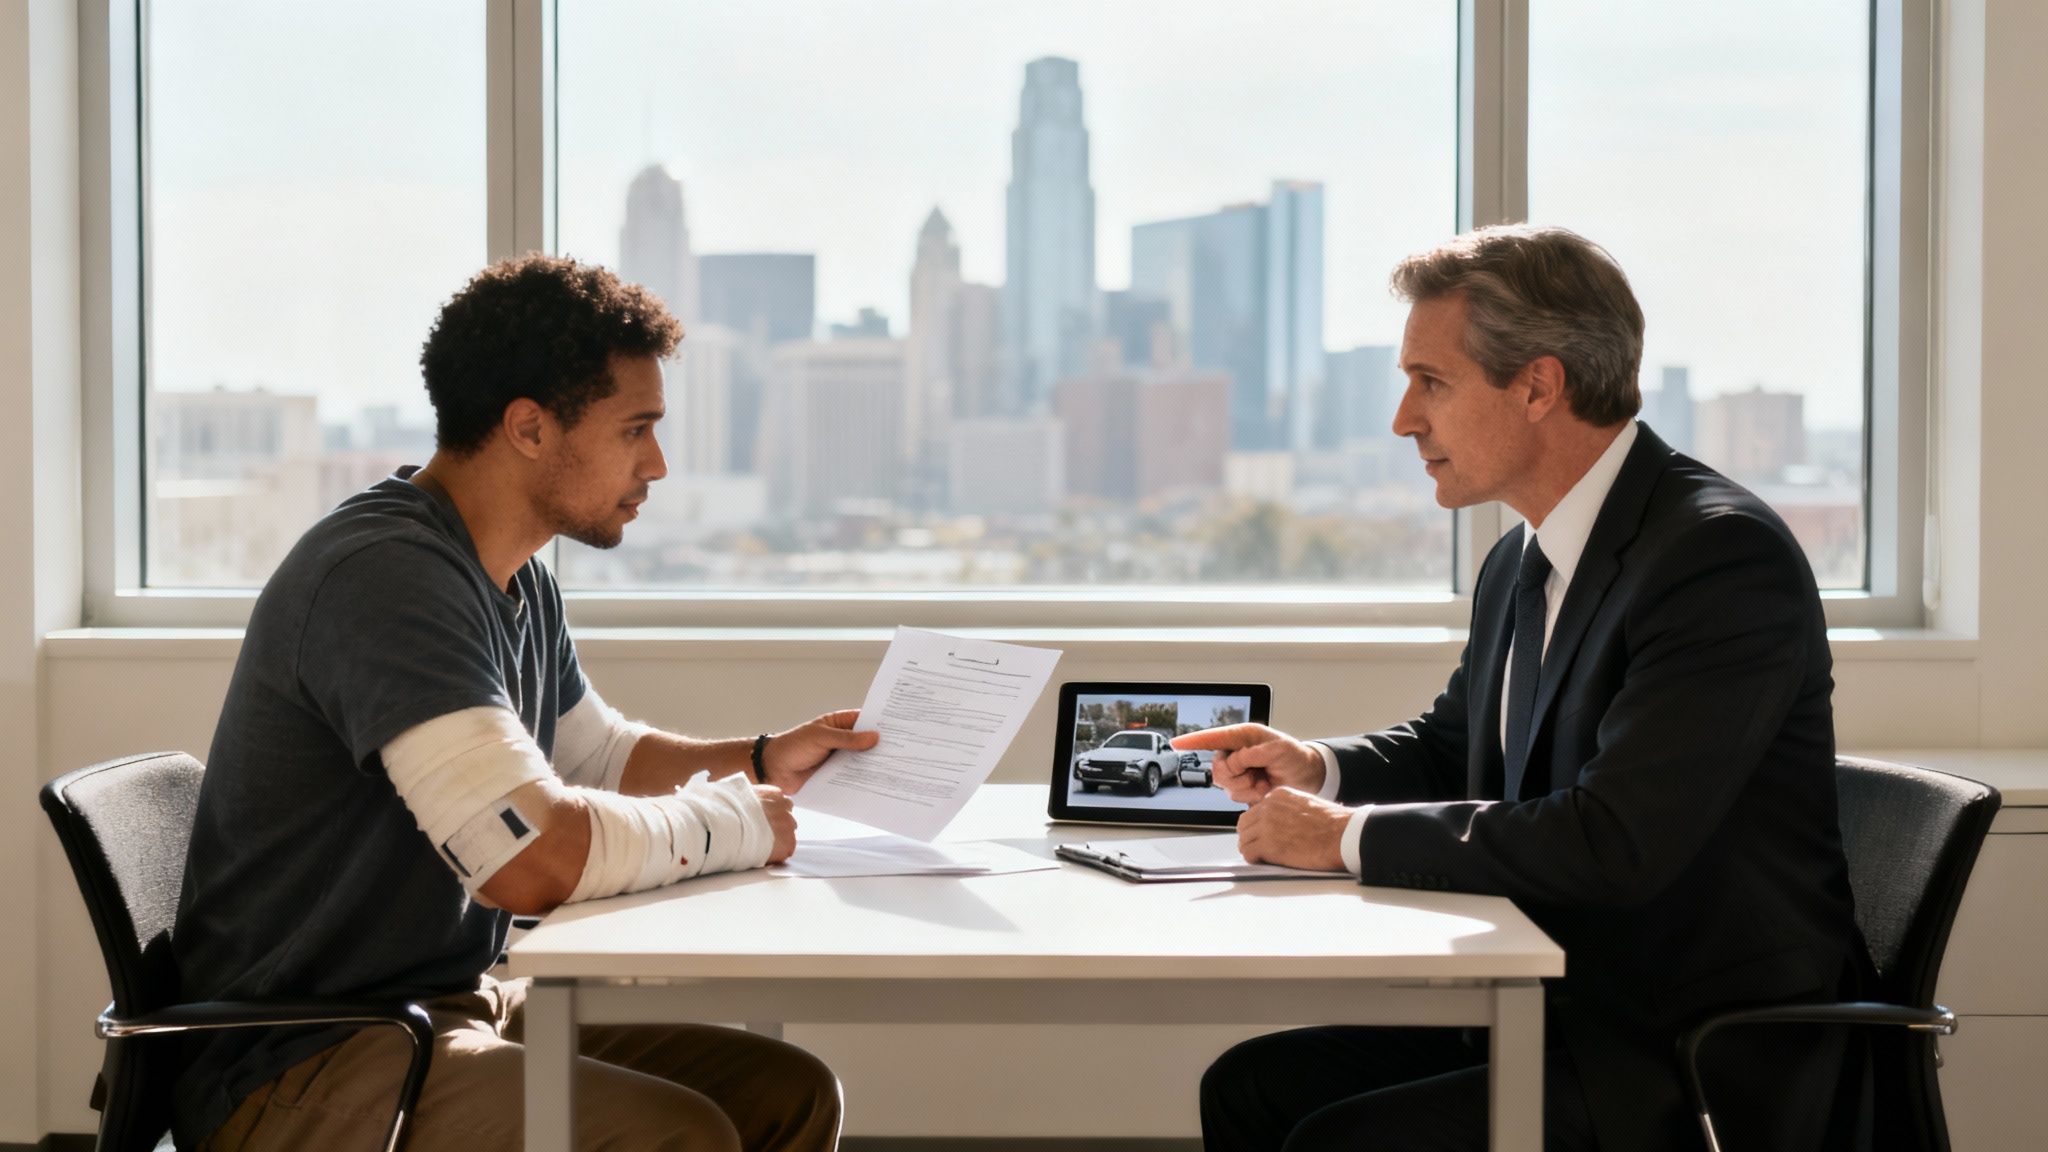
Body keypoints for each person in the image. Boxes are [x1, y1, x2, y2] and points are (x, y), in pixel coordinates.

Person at [171, 254, 879, 1152]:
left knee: (785, 1091)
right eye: (636, 429)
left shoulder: (512, 577)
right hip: (299, 1061)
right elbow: (528, 860)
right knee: (679, 1134)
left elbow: (599, 759)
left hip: (442, 1008)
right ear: (530, 429)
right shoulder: (385, 577)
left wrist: (760, 759)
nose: (657, 464)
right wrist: (733, 822)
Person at [1181, 226, 1863, 1152]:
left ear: (1539, 386)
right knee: (1252, 1090)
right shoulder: (1521, 557)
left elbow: (1614, 841)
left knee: (1340, 1139)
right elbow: (1455, 743)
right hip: (1559, 1003)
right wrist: (1319, 767)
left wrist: (1345, 839)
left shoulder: (1716, 557)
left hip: (1679, 1048)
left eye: (1431, 382)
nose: (1403, 420)